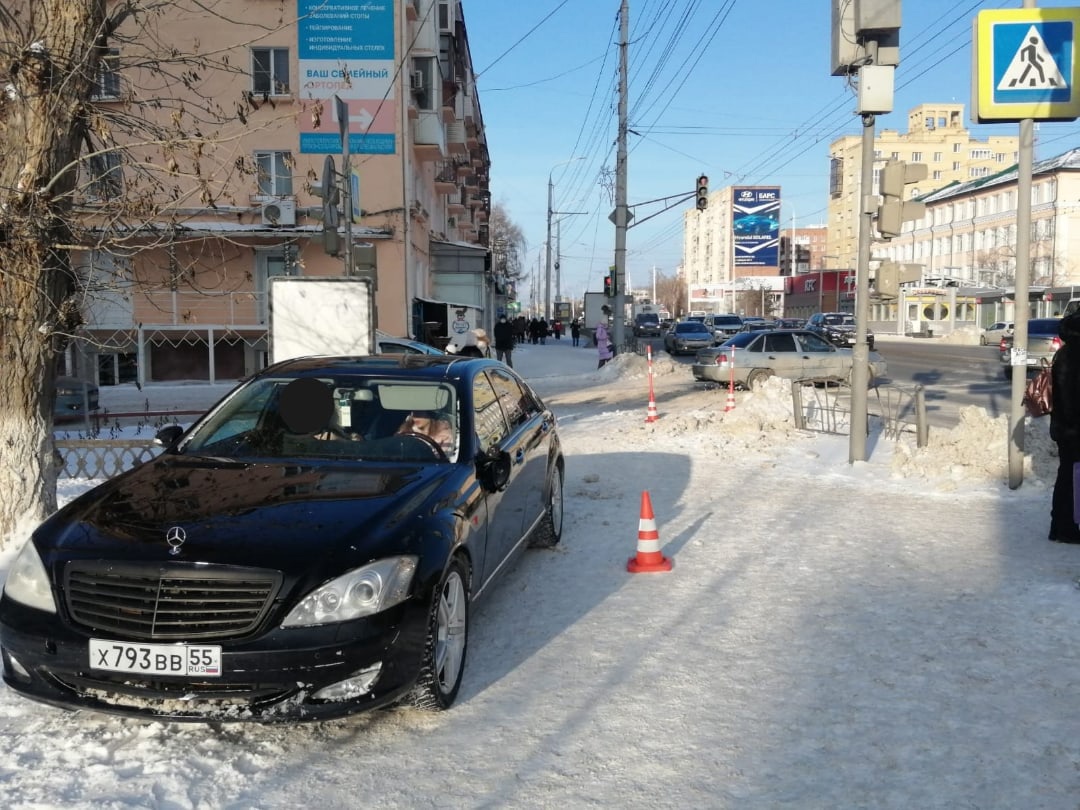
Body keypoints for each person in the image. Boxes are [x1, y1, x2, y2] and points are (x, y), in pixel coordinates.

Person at [1049, 312, 1080, 543]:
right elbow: (1071, 397)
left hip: (1066, 427)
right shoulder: (1074, 356)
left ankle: (1060, 526)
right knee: (1072, 478)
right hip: (1073, 428)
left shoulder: (1065, 353)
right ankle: (1068, 528)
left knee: (1067, 476)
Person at [596, 305, 614, 369]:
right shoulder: (600, 328)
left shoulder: (604, 328)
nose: (607, 323)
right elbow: (598, 336)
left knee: (603, 359)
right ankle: (606, 371)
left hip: (604, 346)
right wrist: (605, 337)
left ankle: (601, 372)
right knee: (606, 359)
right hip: (603, 346)